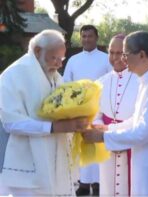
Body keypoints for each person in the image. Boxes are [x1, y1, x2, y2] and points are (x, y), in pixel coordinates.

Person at [82, 31, 148, 196]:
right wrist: (107, 129)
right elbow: (136, 121)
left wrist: (101, 137)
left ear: (142, 55)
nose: (122, 59)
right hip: (145, 162)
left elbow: (143, 132)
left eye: (125, 54)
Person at [0, 30, 89, 196]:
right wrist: (53, 127)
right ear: (38, 51)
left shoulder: (54, 75)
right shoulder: (13, 75)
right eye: (54, 58)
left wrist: (78, 120)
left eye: (61, 59)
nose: (59, 64)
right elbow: (10, 123)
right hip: (27, 163)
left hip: (56, 160)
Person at [63, 24, 111, 196]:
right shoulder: (73, 60)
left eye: (90, 36)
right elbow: (66, 84)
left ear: (96, 38)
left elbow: (112, 82)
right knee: (81, 145)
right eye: (83, 36)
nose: (86, 39)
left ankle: (99, 183)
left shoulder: (106, 59)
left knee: (98, 145)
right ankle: (83, 183)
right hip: (80, 109)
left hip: (100, 109)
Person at [94, 33, 140, 196]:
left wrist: (113, 130)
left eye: (120, 53)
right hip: (106, 145)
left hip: (133, 145)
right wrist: (100, 129)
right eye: (111, 52)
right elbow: (95, 115)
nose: (115, 57)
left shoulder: (141, 81)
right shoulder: (100, 83)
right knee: (108, 187)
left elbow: (140, 118)